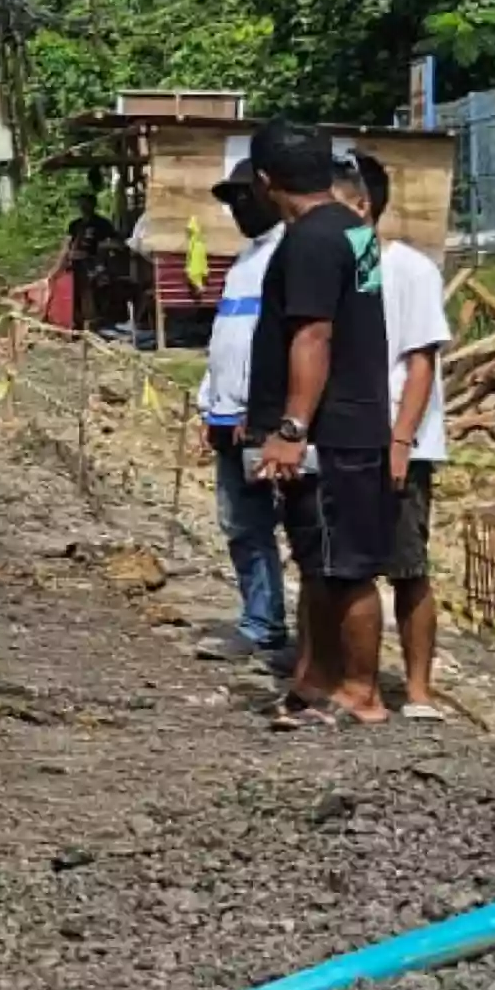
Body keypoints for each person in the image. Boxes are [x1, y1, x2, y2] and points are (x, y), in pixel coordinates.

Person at [241, 116, 391, 727]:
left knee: (343, 565)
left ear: (264, 180)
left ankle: (361, 692)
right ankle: (317, 679)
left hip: (329, 431)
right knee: (321, 557)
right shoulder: (353, 230)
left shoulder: (308, 241)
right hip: (355, 419)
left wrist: (292, 427)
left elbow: (314, 334)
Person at [342, 149, 449, 718]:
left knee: (407, 567)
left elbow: (421, 362)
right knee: (350, 567)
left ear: (362, 206)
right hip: (348, 439)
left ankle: (419, 690)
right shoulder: (340, 268)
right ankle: (359, 682)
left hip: (397, 439)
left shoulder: (411, 269)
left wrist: (401, 440)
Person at [188, 169, 293, 680]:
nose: (238, 210)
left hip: (264, 421)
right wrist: (210, 405)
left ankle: (276, 626)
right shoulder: (244, 261)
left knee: (286, 525)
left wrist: (260, 411)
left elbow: (278, 345)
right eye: (231, 202)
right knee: (241, 525)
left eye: (245, 199)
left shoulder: (286, 256)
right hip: (228, 416)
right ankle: (262, 619)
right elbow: (226, 340)